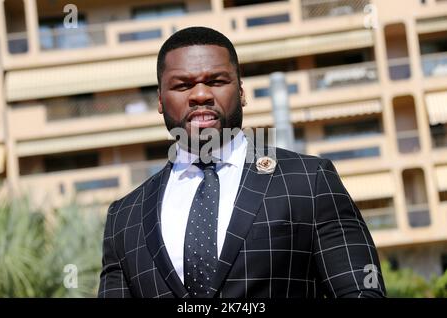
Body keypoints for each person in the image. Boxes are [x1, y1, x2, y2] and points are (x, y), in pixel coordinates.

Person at [98, 26, 386, 298]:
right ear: (160, 99)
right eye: (183, 85)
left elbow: (361, 291)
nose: (200, 95)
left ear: (241, 91)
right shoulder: (125, 217)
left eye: (216, 81)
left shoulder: (309, 181)